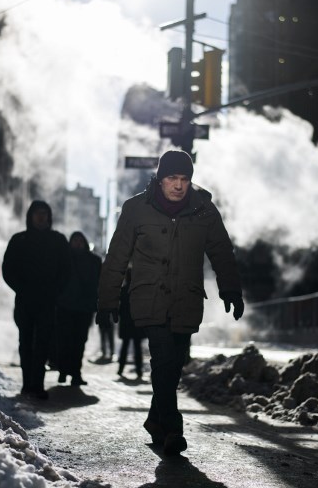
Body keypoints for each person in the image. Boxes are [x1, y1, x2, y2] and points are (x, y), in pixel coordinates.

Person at [97, 149, 244, 455]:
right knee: (164, 359)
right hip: (149, 297)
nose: (178, 185)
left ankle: (155, 419)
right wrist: (107, 300)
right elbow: (116, 257)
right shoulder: (136, 208)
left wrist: (231, 289)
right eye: (172, 178)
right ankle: (173, 428)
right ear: (160, 179)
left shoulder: (204, 210)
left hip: (186, 299)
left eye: (184, 179)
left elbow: (221, 251)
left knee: (173, 365)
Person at [2, 200, 68, 400]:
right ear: (30, 216)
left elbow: (66, 270)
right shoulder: (19, 240)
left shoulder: (58, 241)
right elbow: (8, 270)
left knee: (43, 343)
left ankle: (37, 384)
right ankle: (27, 384)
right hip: (25, 300)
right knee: (26, 341)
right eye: (37, 213)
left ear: (49, 217)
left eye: (44, 213)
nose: (41, 217)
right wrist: (21, 288)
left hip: (47, 300)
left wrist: (56, 291)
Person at [56, 231, 101, 386]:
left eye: (80, 240)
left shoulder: (94, 261)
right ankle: (64, 370)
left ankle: (75, 372)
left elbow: (98, 283)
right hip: (66, 306)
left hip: (83, 307)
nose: (78, 243)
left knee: (79, 341)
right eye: (75, 240)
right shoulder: (63, 260)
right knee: (65, 339)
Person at [116, 267, 144, 379]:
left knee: (125, 346)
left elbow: (119, 309)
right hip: (137, 323)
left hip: (126, 323)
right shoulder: (140, 291)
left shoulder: (123, 290)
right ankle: (139, 370)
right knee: (138, 347)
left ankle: (120, 368)